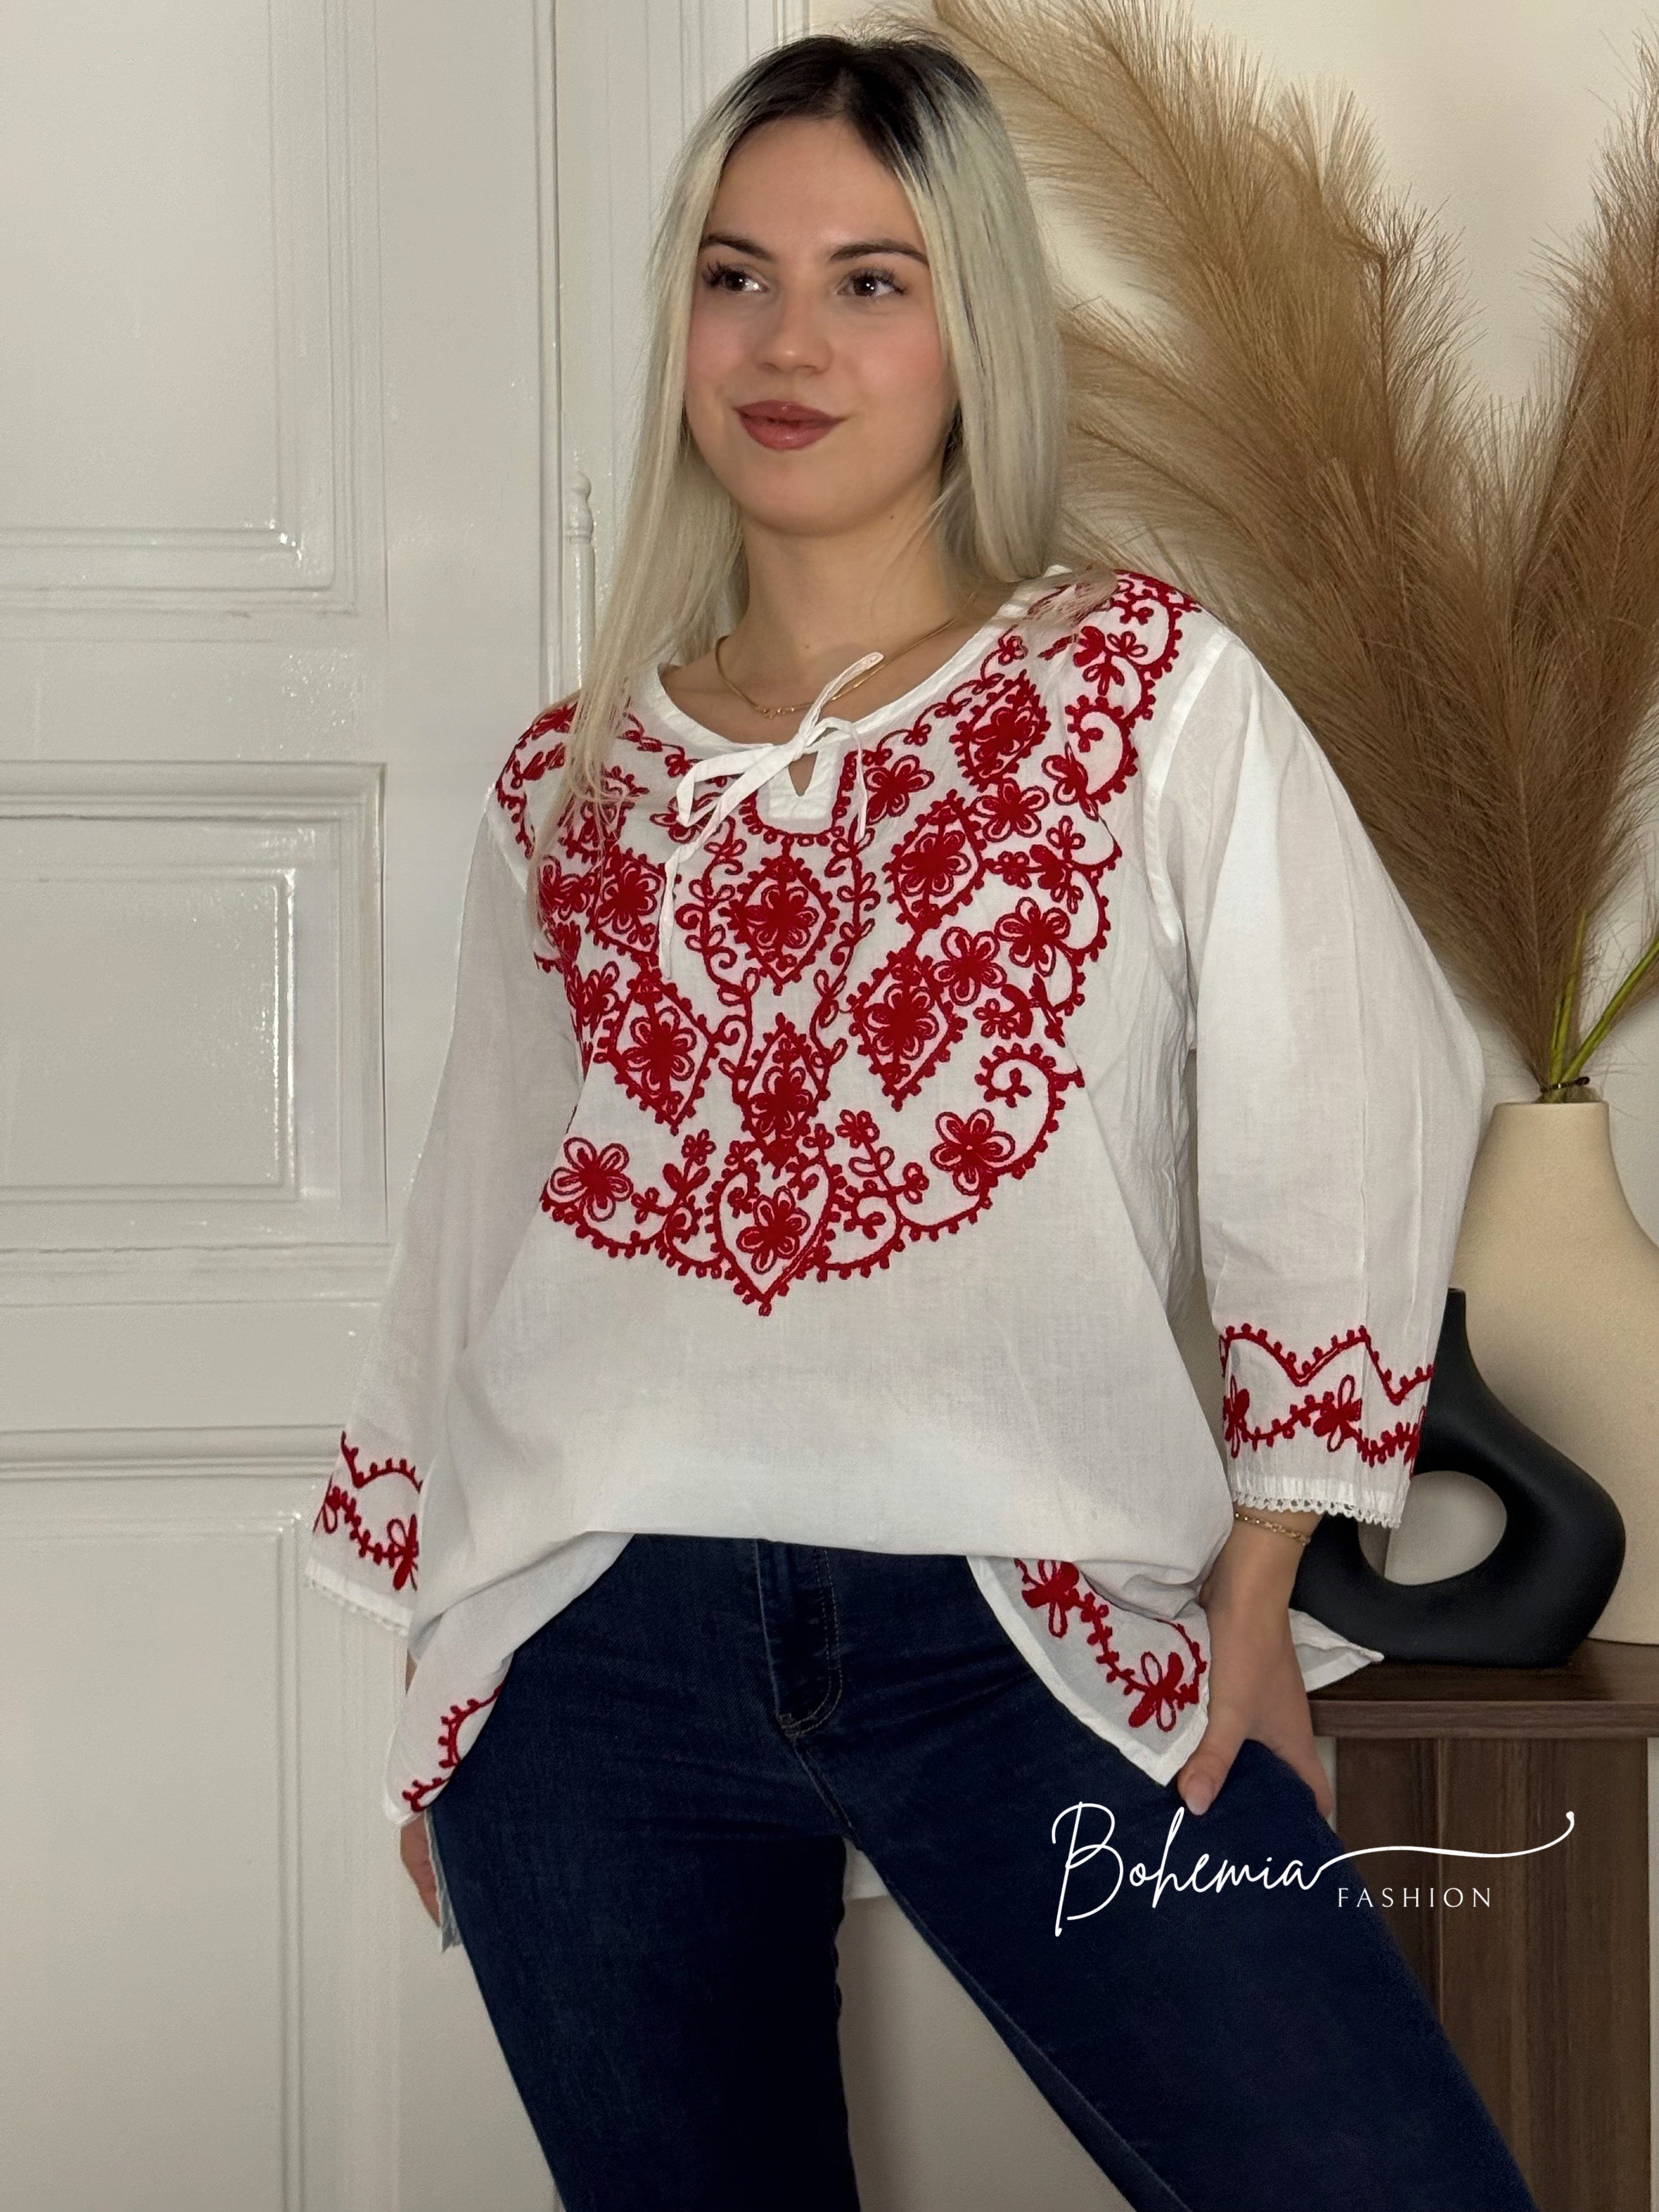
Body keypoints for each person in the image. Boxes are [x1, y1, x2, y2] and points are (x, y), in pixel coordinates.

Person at [303, 31, 1542, 2212]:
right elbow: (483, 1224)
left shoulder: (1143, 692)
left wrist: (1263, 1583)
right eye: (737, 277)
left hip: (1032, 1627)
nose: (788, 344)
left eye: (871, 283)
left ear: (975, 336)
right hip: (593, 1657)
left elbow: (1347, 1099)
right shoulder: (571, 781)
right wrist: (449, 1666)